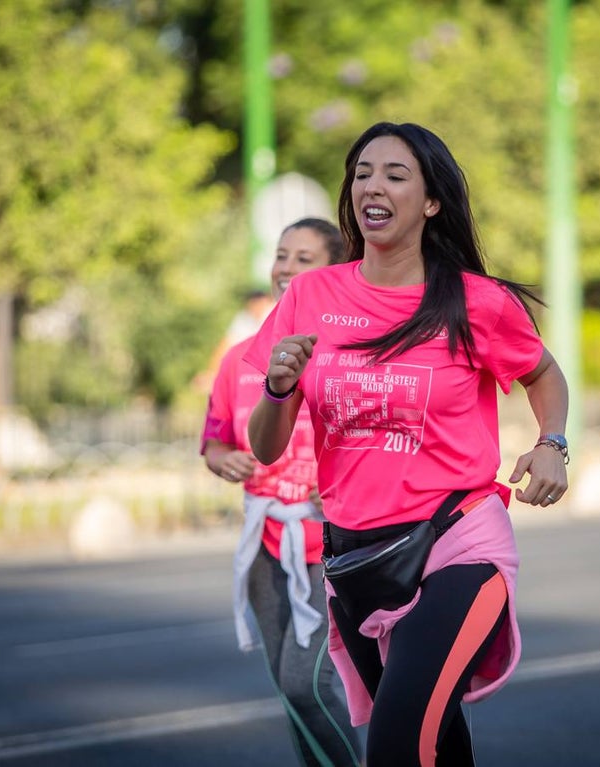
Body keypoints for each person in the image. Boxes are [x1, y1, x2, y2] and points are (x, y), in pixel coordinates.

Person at [245, 123, 570, 767]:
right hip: (358, 558)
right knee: (438, 744)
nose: (374, 186)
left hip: (458, 541)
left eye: (396, 175)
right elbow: (266, 447)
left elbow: (542, 373)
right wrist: (279, 389)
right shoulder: (312, 296)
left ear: (430, 202)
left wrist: (552, 443)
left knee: (395, 743)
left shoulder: (474, 301)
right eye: (363, 172)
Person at [201, 217, 363, 767]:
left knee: (306, 685)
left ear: (334, 272)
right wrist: (227, 462)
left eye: (304, 258)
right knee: (293, 698)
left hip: (334, 549)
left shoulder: (353, 355)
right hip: (265, 549)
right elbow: (215, 442)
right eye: (281, 255)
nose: (286, 269)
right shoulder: (241, 358)